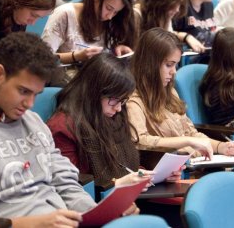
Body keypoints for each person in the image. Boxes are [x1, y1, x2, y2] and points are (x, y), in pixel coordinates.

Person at [0, 32, 97, 226]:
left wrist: (96, 214)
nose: (30, 104)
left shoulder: (32, 121)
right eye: (23, 91)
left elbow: (65, 182)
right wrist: (34, 223)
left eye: (36, 94)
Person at [127, 27, 234, 160]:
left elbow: (191, 133)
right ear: (150, 64)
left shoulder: (169, 91)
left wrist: (221, 147)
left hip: (187, 164)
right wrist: (186, 142)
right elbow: (140, 142)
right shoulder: (134, 100)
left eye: (175, 65)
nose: (174, 72)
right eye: (169, 65)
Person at [47, 53, 155, 189]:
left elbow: (123, 166)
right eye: (115, 100)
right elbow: (72, 187)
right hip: (92, 203)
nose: (118, 108)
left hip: (125, 196)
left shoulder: (111, 116)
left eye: (122, 101)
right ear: (94, 93)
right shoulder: (64, 127)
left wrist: (143, 175)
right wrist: (117, 184)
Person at [42, 0, 134, 65]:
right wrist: (75, 56)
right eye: (108, 8)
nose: (110, 16)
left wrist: (117, 49)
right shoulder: (65, 14)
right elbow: (43, 58)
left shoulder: (115, 21)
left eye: (115, 12)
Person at [135, 0, 206, 52]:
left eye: (180, 3)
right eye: (174, 4)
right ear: (160, 1)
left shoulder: (163, 14)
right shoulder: (136, 16)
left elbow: (168, 34)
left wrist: (187, 36)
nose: (177, 9)